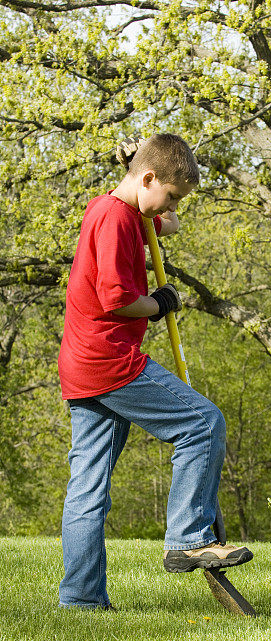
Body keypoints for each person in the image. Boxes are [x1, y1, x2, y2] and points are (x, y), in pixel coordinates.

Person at [58, 133, 252, 610]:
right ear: (147, 178)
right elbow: (117, 298)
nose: (172, 204)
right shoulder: (117, 221)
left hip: (82, 365)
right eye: (171, 194)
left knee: (88, 491)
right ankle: (187, 536)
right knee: (203, 423)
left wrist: (163, 220)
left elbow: (148, 218)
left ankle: (81, 600)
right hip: (111, 362)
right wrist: (157, 305)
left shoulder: (117, 210)